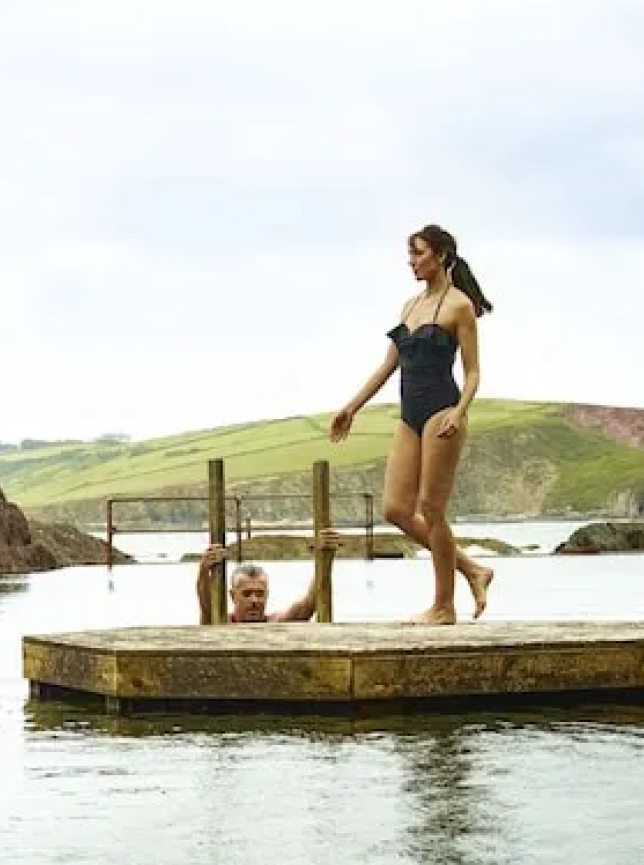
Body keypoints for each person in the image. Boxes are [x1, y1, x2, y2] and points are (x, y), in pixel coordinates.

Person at [328, 224, 495, 624]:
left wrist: (460, 410)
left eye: (418, 254)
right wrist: (351, 407)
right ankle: (472, 569)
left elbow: (473, 372)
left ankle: (444, 606)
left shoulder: (459, 307)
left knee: (432, 509)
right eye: (410, 254)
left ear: (440, 255)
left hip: (442, 409)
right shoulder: (409, 306)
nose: (411, 262)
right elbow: (389, 365)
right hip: (409, 415)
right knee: (395, 508)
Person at [194, 541, 326, 623]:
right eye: (246, 594)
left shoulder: (275, 623)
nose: (254, 600)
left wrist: (323, 560)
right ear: (233, 596)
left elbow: (308, 605)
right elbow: (206, 606)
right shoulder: (221, 622)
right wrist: (204, 569)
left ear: (267, 595)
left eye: (260, 594)